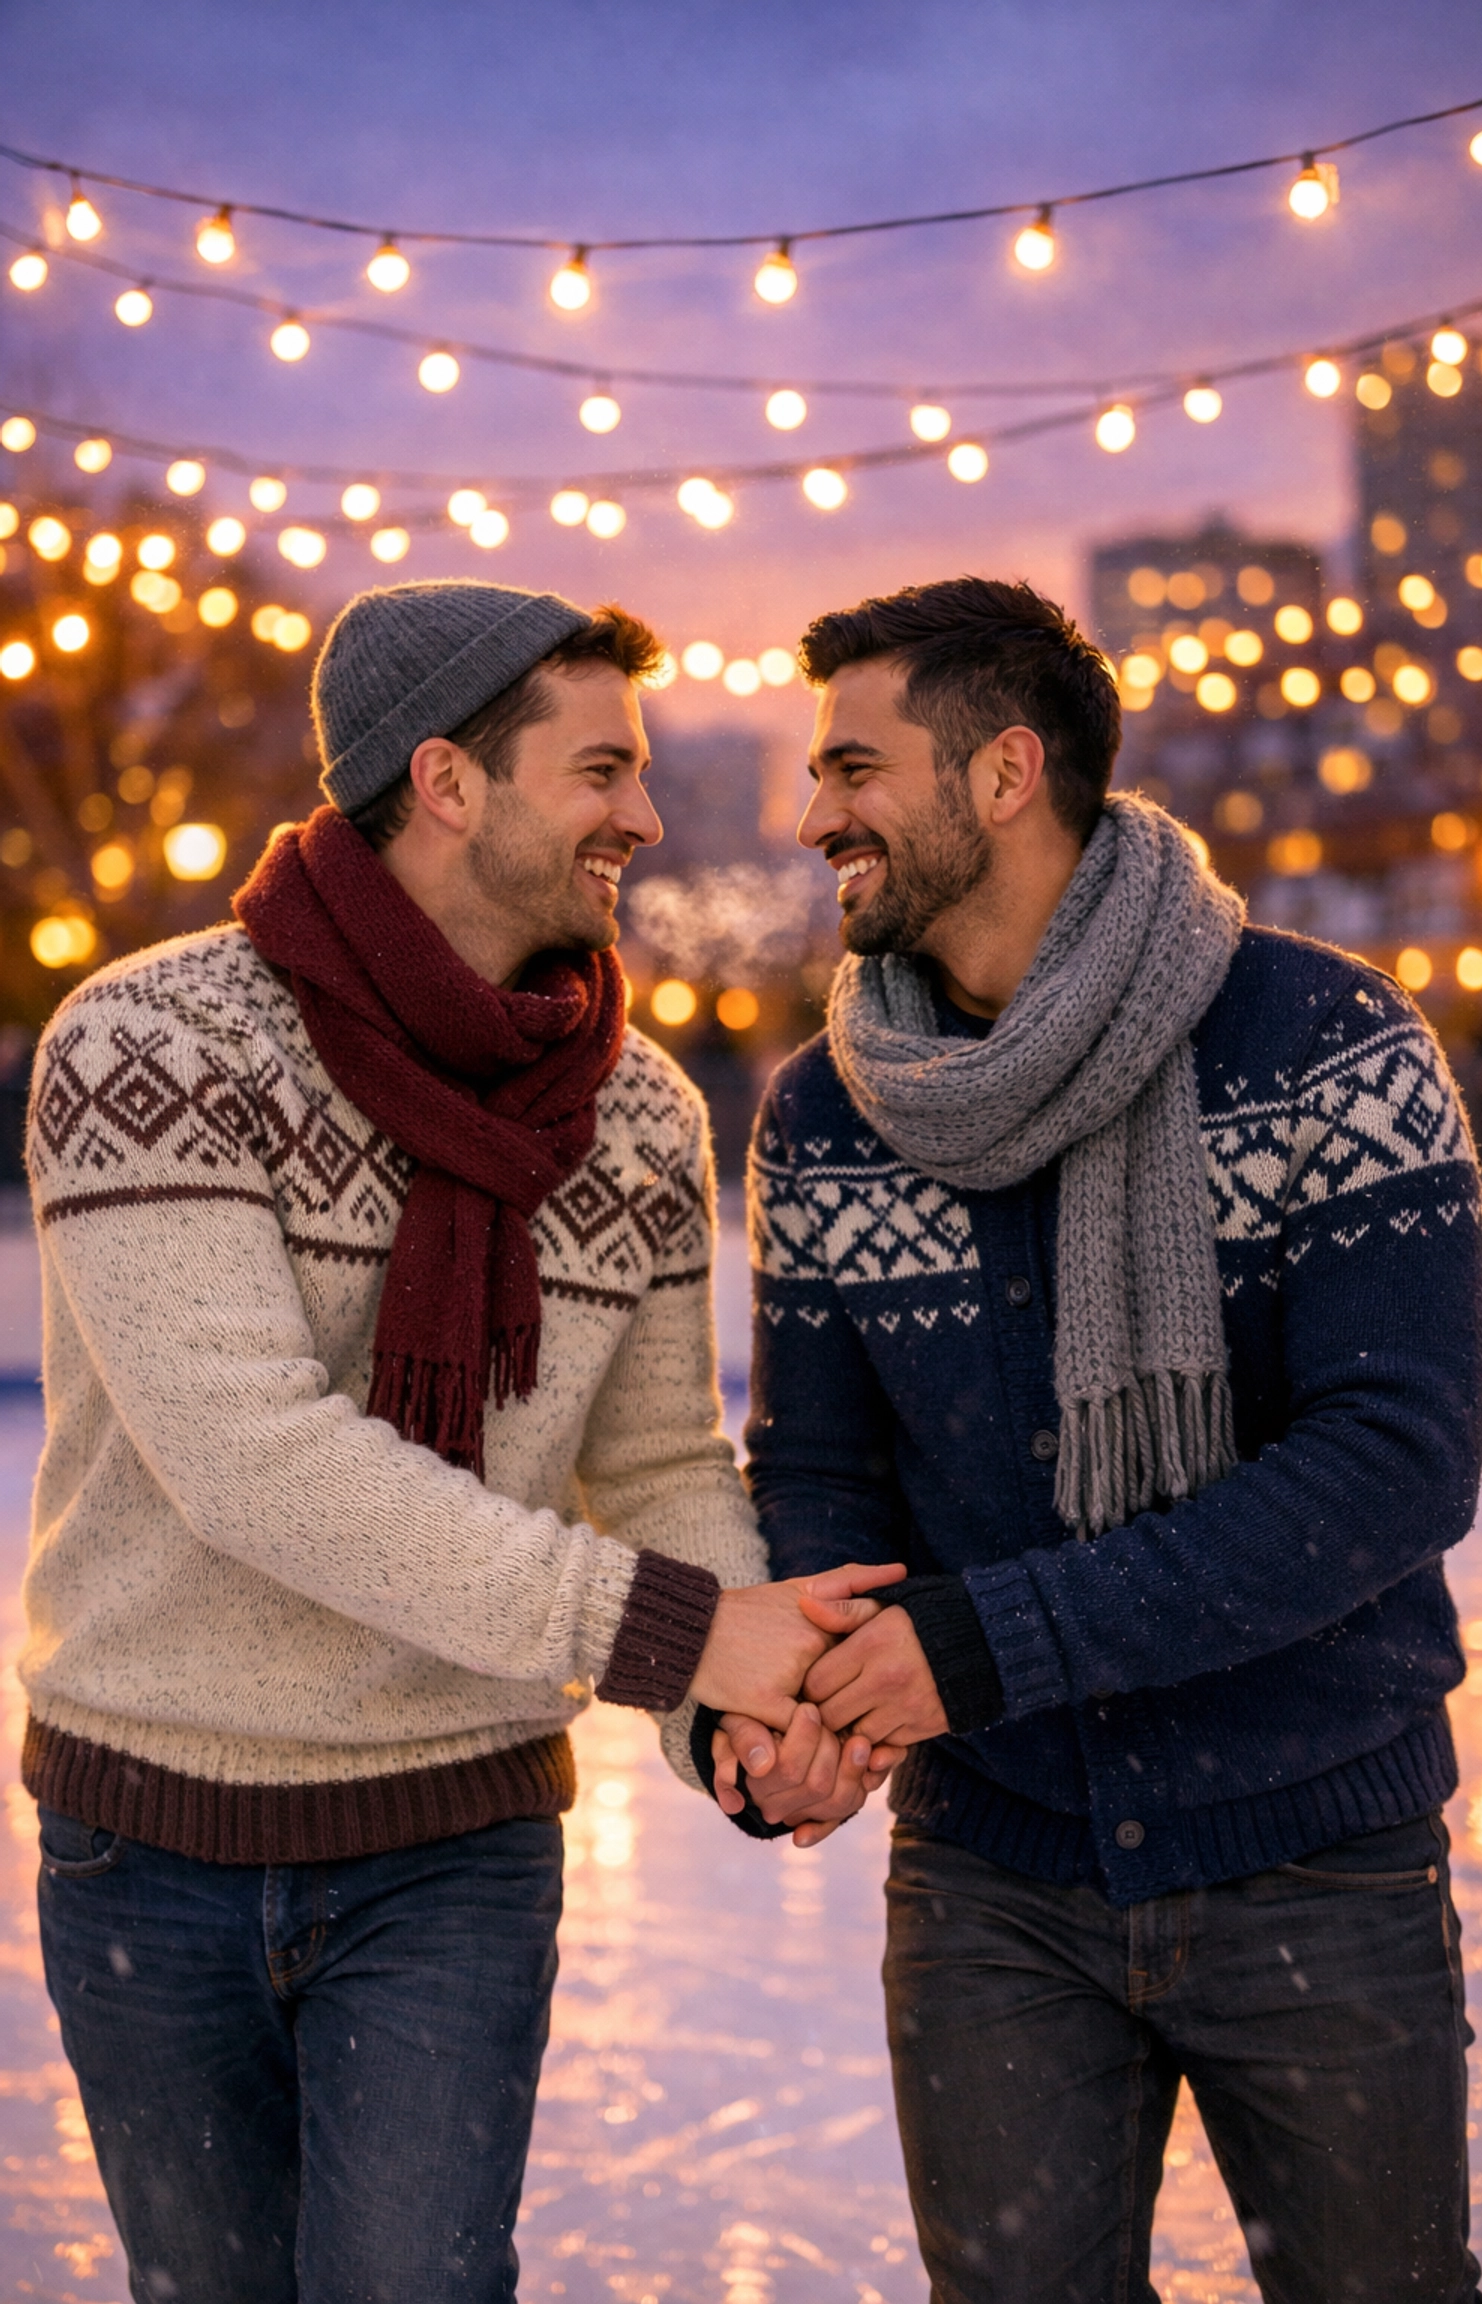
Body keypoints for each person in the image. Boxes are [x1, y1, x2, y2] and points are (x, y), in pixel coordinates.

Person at [22, 578, 896, 2304]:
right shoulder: (155, 1042)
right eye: (601, 771)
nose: (643, 817)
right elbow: (253, 1461)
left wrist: (732, 1713)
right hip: (155, 1842)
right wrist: (677, 1635)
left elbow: (653, 1466)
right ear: (445, 780)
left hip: (455, 1851)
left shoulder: (635, 1111)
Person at [708, 576, 1482, 2303]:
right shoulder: (831, 1117)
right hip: (996, 1885)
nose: (813, 812)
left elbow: (1399, 1462)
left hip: (1314, 1857)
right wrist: (790, 1718)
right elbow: (823, 1475)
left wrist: (984, 1649)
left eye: (852, 764)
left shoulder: (1322, 1043)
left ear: (1003, 774)